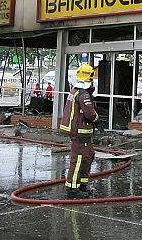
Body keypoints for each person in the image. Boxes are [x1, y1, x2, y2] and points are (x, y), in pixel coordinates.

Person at [59, 64, 99, 197]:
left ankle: (82, 185)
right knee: (79, 160)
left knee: (88, 156)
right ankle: (72, 189)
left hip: (81, 132)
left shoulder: (75, 90)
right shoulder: (83, 94)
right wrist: (97, 119)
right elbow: (90, 113)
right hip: (80, 132)